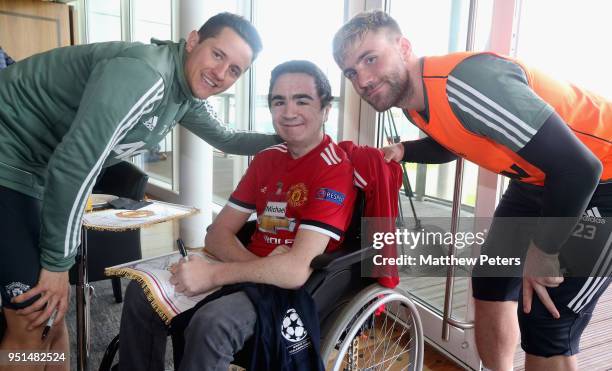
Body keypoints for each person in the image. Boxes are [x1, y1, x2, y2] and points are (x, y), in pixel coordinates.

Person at [333, 10, 611, 371]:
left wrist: (543, 252)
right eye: (351, 72)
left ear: (403, 47)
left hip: (599, 180)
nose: (364, 80)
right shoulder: (412, 103)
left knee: (547, 319)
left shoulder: (466, 82)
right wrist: (405, 151)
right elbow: (456, 136)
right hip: (538, 179)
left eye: (370, 59)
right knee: (492, 278)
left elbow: (580, 168)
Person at [0, 12, 282, 367]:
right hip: (8, 160)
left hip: (35, 172)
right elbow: (75, 164)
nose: (221, 73)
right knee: (31, 318)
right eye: (217, 55)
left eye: (235, 70)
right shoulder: (146, 75)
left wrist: (290, 136)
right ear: (193, 41)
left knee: (53, 316)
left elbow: (227, 138)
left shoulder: (184, 95)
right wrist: (57, 264)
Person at [118, 60, 356, 370]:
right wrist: (264, 266)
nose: (288, 112)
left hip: (291, 292)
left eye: (302, 100)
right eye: (278, 101)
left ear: (326, 110)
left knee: (211, 323)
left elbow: (295, 272)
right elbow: (216, 234)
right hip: (252, 265)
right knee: (141, 292)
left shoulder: (334, 169)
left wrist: (213, 275)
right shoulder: (267, 159)